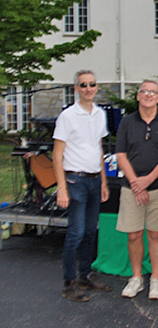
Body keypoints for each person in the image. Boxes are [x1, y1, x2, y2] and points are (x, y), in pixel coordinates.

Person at [116, 80, 158, 300]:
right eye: (144, 92)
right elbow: (120, 155)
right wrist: (136, 183)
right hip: (131, 188)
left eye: (153, 92)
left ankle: (157, 279)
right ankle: (136, 278)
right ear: (138, 96)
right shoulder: (126, 122)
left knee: (155, 234)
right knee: (133, 235)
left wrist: (148, 180)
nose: (149, 95)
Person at [53, 69, 111, 302]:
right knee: (75, 233)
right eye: (83, 85)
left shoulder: (99, 114)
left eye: (92, 84)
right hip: (74, 180)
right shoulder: (67, 116)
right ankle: (69, 283)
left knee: (90, 232)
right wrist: (62, 188)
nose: (88, 88)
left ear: (96, 87)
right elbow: (57, 156)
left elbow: (98, 148)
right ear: (76, 89)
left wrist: (104, 182)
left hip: (94, 180)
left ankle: (85, 276)